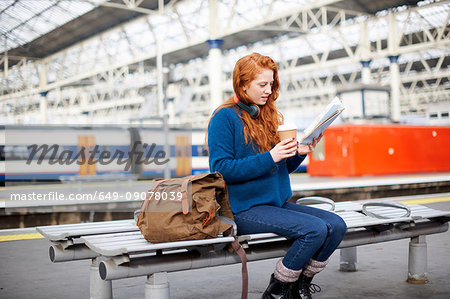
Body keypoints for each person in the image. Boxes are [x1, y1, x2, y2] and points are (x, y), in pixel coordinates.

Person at [206, 52, 347, 299]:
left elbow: (278, 169)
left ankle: (299, 286)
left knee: (336, 226)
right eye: (262, 84)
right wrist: (271, 156)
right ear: (242, 84)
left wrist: (299, 153)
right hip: (242, 208)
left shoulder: (267, 116)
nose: (269, 90)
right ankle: (277, 291)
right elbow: (222, 170)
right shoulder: (224, 118)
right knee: (314, 229)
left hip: (274, 203)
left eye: (271, 84)